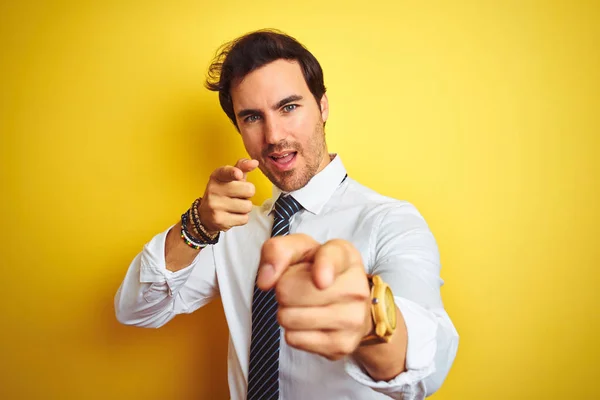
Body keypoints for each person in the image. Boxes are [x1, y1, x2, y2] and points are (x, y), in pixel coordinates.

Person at [114, 29, 459, 400]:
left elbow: (429, 367)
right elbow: (136, 309)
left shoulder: (389, 221)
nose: (274, 135)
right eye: (252, 117)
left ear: (323, 106)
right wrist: (199, 224)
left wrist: (365, 323)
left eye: (289, 107)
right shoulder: (231, 231)